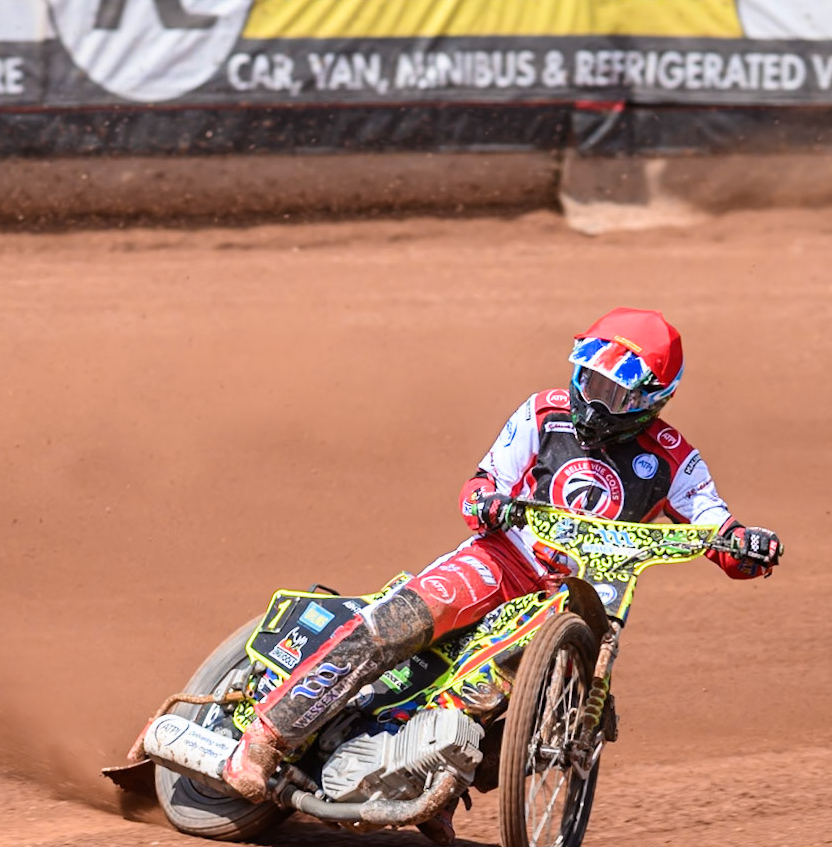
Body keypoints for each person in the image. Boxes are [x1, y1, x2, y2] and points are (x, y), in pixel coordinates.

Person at [222, 308, 783, 809]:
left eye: (612, 392)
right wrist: (488, 504)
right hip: (502, 560)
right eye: (588, 379)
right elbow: (482, 484)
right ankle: (268, 739)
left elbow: (717, 528)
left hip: (584, 594)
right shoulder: (544, 413)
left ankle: (423, 781)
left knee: (519, 704)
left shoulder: (671, 458)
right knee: (398, 624)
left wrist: (748, 545)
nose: (593, 398)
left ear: (651, 399)